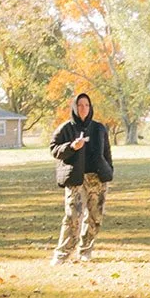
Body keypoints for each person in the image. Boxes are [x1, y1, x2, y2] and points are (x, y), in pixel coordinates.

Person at [49, 92, 114, 263]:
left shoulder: (99, 128)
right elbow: (54, 149)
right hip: (76, 178)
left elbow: (106, 152)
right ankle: (62, 254)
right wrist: (71, 146)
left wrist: (109, 170)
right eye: (80, 105)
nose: (83, 108)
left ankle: (86, 250)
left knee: (95, 216)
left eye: (86, 105)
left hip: (97, 178)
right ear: (75, 108)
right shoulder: (66, 128)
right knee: (73, 216)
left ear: (90, 108)